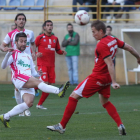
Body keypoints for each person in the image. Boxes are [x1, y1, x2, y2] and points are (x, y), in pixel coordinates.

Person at [47, 20, 140, 135]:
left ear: (101, 31)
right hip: (106, 79)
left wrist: (114, 82)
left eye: (94, 32)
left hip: (98, 77)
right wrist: (138, 58)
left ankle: (61, 126)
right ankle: (120, 125)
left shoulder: (102, 44)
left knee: (73, 97)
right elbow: (130, 48)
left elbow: (110, 63)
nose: (93, 34)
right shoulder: (113, 39)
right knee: (105, 102)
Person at [0, 32, 70, 128]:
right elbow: (3, 66)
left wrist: (38, 73)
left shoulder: (28, 56)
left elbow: (32, 72)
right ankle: (58, 91)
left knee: (29, 103)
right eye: (21, 41)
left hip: (28, 79)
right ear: (16, 42)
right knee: (39, 83)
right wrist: (8, 54)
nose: (23, 43)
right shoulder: (13, 53)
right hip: (19, 78)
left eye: (25, 41)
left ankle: (5, 116)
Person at [0, 13, 36, 117]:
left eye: (23, 19)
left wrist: (33, 52)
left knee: (30, 85)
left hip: (28, 62)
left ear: (25, 21)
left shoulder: (30, 33)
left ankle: (25, 107)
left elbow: (33, 43)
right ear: (15, 21)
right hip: (16, 63)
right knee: (17, 87)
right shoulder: (11, 34)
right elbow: (2, 45)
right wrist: (5, 49)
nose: (21, 21)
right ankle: (22, 109)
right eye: (19, 19)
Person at [35, 20, 67, 110]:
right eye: (48, 25)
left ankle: (39, 104)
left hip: (51, 65)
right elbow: (31, 48)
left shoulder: (55, 38)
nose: (49, 27)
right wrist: (36, 53)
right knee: (45, 84)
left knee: (49, 85)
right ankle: (32, 87)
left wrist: (62, 52)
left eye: (51, 25)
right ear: (44, 27)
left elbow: (58, 50)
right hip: (42, 64)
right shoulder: (39, 38)